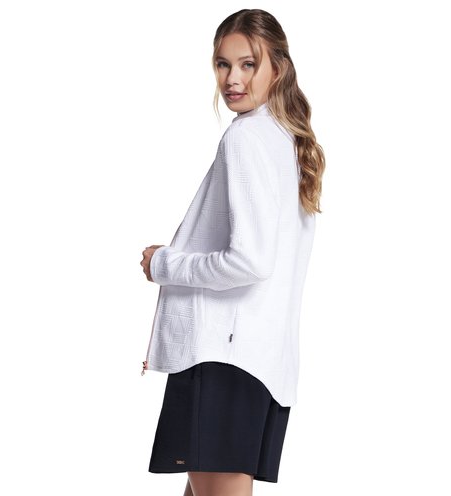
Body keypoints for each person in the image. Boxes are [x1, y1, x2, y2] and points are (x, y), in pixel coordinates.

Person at [139, 8, 325, 496]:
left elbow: (250, 261)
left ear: (277, 69)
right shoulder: (287, 141)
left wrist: (163, 264)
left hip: (225, 358)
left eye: (248, 64)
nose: (232, 79)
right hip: (261, 362)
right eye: (223, 64)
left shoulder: (247, 138)